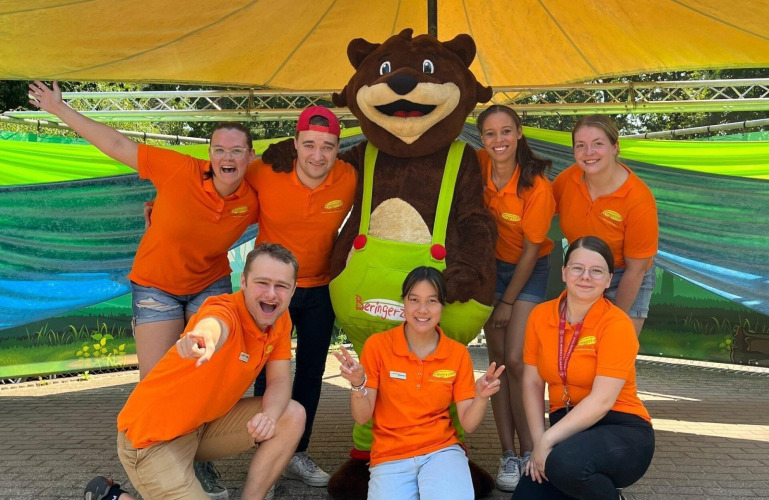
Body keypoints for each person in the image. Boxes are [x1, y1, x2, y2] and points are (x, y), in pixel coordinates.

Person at [30, 81, 260, 498]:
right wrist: (59, 109)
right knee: (158, 385)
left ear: (250, 156)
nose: (227, 158)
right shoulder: (178, 168)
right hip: (156, 285)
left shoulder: (254, 195)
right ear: (209, 154)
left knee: (205, 375)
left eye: (236, 151)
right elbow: (117, 143)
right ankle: (151, 464)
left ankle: (197, 462)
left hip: (208, 284)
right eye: (219, 150)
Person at [82, 243, 306, 500]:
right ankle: (112, 497)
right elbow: (214, 324)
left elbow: (279, 381)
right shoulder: (224, 309)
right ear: (243, 282)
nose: (271, 294)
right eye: (262, 283)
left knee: (291, 415)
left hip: (201, 428)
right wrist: (204, 337)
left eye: (281, 286)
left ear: (293, 290)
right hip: (151, 441)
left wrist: (269, 416)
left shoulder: (280, 319)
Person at [248, 106, 356, 487]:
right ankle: (265, 454)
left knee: (311, 372)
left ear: (338, 148)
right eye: (309, 144)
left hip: (320, 288)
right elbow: (219, 183)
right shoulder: (264, 171)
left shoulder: (349, 178)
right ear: (294, 144)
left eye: (327, 146)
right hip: (272, 291)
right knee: (267, 370)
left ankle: (297, 451)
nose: (317, 155)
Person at [333, 266, 505, 500]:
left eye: (432, 301)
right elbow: (362, 417)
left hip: (442, 452)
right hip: (390, 456)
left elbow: (469, 424)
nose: (422, 309)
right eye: (414, 299)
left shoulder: (457, 353)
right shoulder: (378, 346)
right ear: (404, 303)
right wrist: (358, 383)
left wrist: (481, 397)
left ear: (442, 306)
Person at [513, 236, 654, 500]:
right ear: (564, 273)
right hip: (566, 426)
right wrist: (538, 442)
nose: (585, 277)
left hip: (620, 427)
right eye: (577, 268)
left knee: (565, 464)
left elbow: (602, 401)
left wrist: (548, 441)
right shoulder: (540, 316)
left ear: (609, 279)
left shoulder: (617, 324)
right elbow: (532, 383)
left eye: (596, 271)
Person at [475, 105, 555, 491]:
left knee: (518, 360)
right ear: (482, 139)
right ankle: (507, 453)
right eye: (490, 133)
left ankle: (531, 450)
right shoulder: (477, 165)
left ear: (519, 132)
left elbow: (530, 251)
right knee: (497, 366)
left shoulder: (537, 186)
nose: (499, 140)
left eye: (506, 131)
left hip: (529, 269)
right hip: (490, 268)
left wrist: (507, 301)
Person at [552, 115, 658, 336]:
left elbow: (636, 269)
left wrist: (614, 319)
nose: (588, 152)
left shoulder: (638, 199)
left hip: (625, 275)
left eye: (598, 143)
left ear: (615, 147)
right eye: (580, 145)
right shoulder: (567, 181)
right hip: (582, 271)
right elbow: (536, 211)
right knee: (577, 346)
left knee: (614, 341)